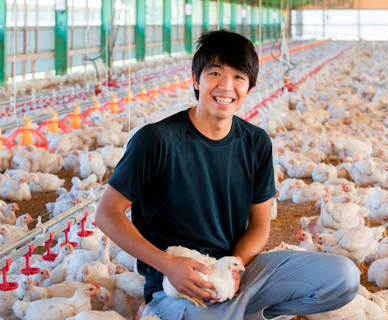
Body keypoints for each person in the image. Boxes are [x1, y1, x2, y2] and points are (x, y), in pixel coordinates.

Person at [95, 30, 359, 320]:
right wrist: (168, 264)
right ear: (196, 78)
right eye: (216, 73)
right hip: (179, 282)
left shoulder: (256, 142)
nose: (226, 86)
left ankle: (246, 311)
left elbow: (260, 225)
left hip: (233, 270)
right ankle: (177, 308)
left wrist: (236, 265)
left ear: (249, 87)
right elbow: (107, 213)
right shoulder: (156, 140)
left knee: (343, 277)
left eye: (238, 77)